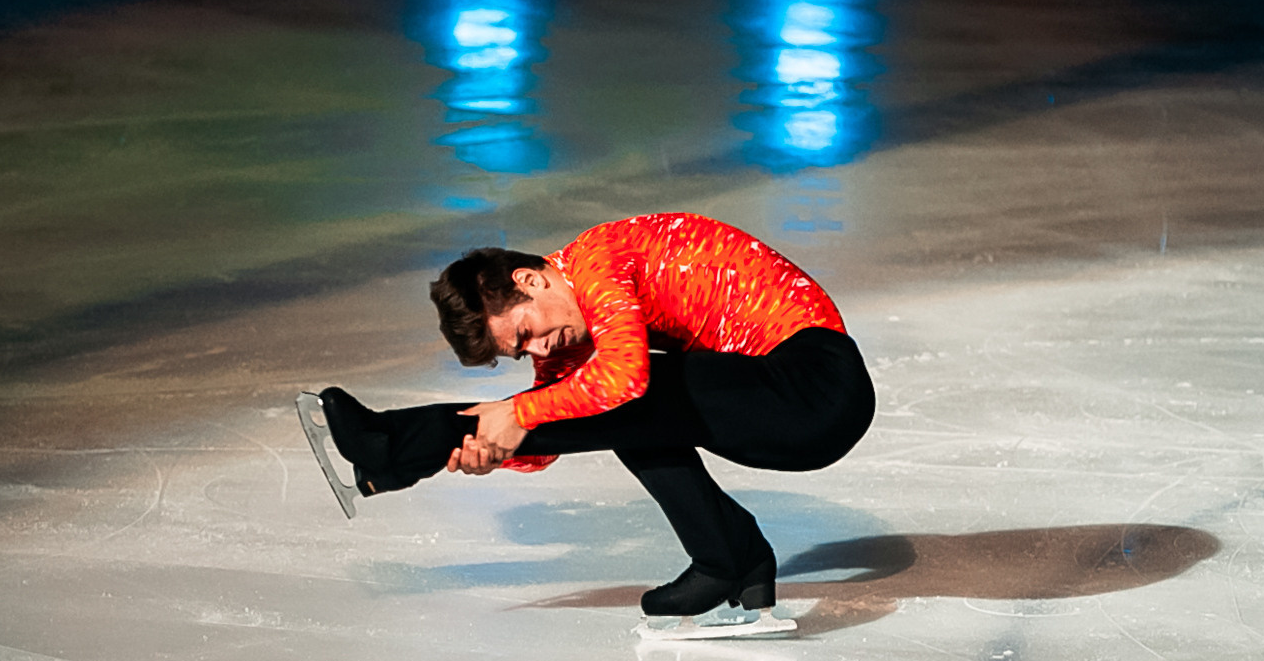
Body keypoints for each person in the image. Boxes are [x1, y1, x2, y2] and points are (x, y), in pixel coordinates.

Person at [300, 211, 875, 621]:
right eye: (521, 353)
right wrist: (483, 453)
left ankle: (392, 444)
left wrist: (517, 414)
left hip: (815, 387)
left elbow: (622, 379)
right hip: (762, 403)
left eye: (526, 333)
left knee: (623, 392)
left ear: (529, 280)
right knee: (618, 410)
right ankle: (730, 558)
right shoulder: (573, 343)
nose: (539, 352)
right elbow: (550, 440)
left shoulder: (599, 259)